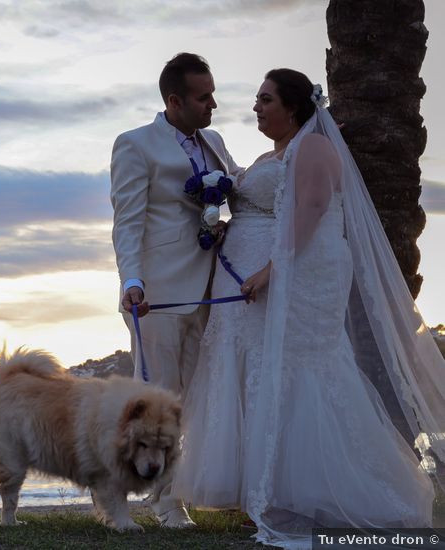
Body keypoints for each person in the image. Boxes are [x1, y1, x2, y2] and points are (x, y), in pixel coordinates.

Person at [171, 68, 445, 549]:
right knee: (259, 368)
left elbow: (313, 209)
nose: (256, 107)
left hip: (298, 276)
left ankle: (335, 490)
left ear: (293, 106)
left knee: (303, 369)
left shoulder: (314, 147)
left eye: (265, 99)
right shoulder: (268, 155)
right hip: (253, 282)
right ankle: (266, 486)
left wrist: (273, 270)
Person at [110, 52, 241, 528]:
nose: (213, 105)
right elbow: (127, 221)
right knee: (159, 401)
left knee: (197, 397)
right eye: (204, 97)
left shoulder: (215, 141)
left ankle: (190, 486)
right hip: (157, 295)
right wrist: (132, 281)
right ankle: (164, 503)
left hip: (213, 286)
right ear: (174, 100)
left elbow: (237, 191)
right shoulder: (135, 144)